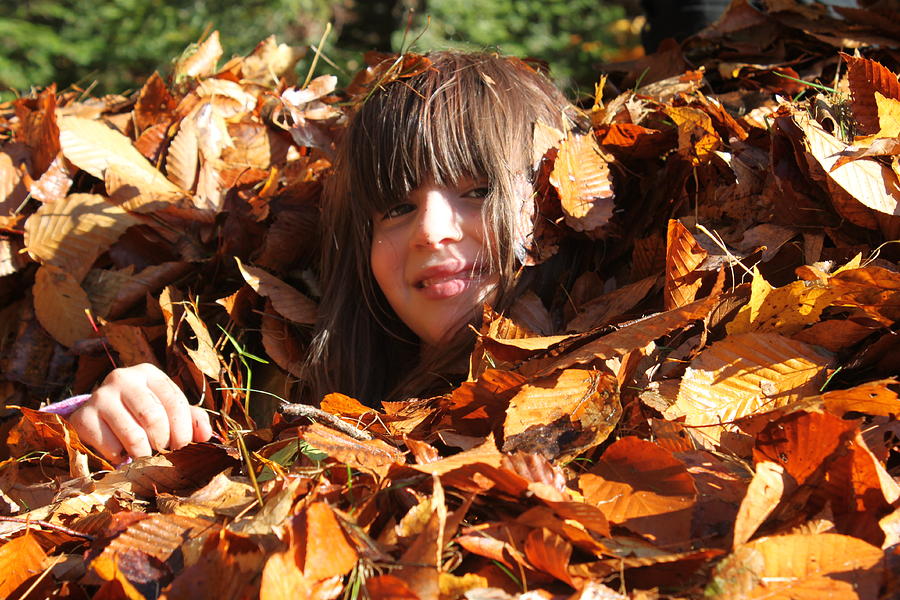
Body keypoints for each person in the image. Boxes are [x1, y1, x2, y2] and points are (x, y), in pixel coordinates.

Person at [49, 51, 580, 463]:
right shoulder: (300, 393)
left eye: (480, 191)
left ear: (558, 202)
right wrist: (112, 427)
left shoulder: (601, 417)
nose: (431, 232)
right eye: (397, 205)